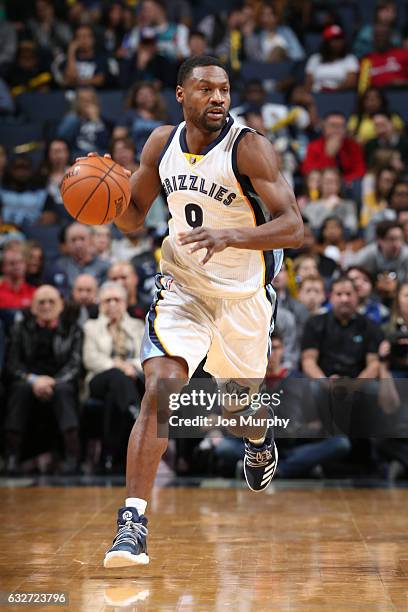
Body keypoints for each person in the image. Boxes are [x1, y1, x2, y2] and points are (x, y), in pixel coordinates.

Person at [82, 55, 303, 567]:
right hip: (182, 287)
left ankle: (257, 436)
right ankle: (132, 522)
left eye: (224, 89)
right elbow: (133, 219)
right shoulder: (160, 144)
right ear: (181, 94)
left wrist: (233, 235)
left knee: (235, 409)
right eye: (205, 89)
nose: (218, 98)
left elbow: (294, 226)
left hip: (243, 300)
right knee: (159, 394)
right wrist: (108, 200)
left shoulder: (249, 148)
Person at [4, 285, 82, 475]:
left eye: (51, 302)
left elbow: (75, 365)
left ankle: (73, 457)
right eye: (41, 302)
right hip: (29, 381)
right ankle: (11, 457)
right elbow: (12, 365)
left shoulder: (73, 329)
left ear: (61, 305)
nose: (46, 306)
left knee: (64, 391)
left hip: (60, 381)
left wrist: (52, 382)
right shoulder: (19, 328)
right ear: (32, 307)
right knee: (19, 390)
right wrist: (33, 380)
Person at [83, 281, 144, 471]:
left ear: (125, 303)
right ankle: (134, 410)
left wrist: (130, 367)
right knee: (116, 377)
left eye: (116, 300)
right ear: (101, 304)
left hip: (131, 378)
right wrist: (117, 366)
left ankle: (109, 455)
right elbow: (91, 359)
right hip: (99, 378)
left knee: (115, 396)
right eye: (107, 300)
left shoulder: (137, 325)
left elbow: (145, 356)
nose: (112, 304)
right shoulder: (91, 327)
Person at [301, 112, 366, 185]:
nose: (336, 130)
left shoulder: (353, 146)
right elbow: (308, 171)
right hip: (322, 186)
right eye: (333, 126)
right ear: (324, 127)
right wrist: (329, 156)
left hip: (348, 186)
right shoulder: (313, 146)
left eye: (340, 126)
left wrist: (342, 182)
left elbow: (360, 170)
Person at [47, 222, 110, 295]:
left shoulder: (105, 266)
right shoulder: (59, 266)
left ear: (90, 240)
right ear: (67, 244)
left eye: (82, 239)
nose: (78, 244)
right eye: (73, 240)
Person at [304, 25, 359, 93]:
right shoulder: (315, 59)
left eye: (340, 39)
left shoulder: (350, 59)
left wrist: (331, 90)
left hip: (340, 96)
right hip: (317, 95)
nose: (338, 43)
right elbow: (308, 84)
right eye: (333, 40)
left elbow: (351, 82)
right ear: (326, 43)